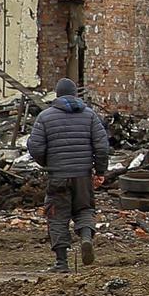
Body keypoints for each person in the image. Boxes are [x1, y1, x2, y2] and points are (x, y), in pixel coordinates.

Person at [27, 78, 109, 273]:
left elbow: (35, 146)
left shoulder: (45, 117)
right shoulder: (90, 116)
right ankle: (87, 238)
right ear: (75, 94)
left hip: (58, 176)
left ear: (57, 94)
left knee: (57, 217)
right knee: (85, 209)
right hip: (83, 175)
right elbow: (102, 146)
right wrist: (100, 171)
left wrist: (47, 162)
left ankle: (61, 262)